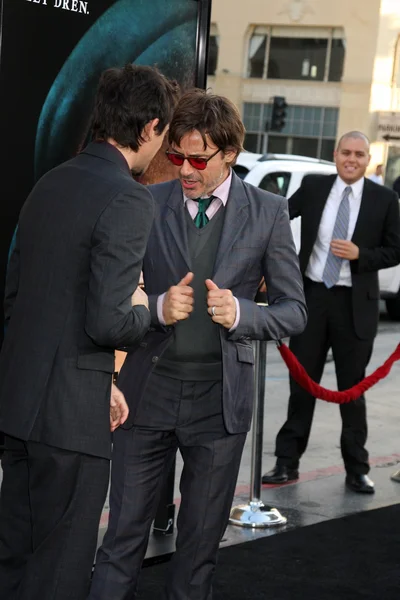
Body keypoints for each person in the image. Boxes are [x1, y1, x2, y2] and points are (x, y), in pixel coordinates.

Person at [88, 89, 307, 600]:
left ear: (229, 154)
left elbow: (294, 311)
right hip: (148, 393)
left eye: (198, 159)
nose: (185, 170)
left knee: (198, 552)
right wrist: (159, 305)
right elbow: (114, 295)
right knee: (122, 539)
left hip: (219, 405)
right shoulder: (144, 201)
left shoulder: (269, 212)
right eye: (177, 156)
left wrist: (244, 313)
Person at [0, 64, 177, 600]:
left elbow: (18, 301)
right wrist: (149, 308)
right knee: (60, 570)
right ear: (149, 128)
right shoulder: (128, 198)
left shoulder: (50, 182)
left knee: (13, 559)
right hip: (71, 424)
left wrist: (104, 383)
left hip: (20, 406)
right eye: (165, 136)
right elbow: (108, 321)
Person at [262, 131, 400, 494]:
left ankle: (357, 468)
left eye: (358, 154)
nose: (351, 159)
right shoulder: (314, 187)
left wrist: (362, 255)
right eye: (345, 152)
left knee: (352, 389)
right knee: (300, 384)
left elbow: (395, 249)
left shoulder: (384, 199)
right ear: (335, 154)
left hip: (355, 304)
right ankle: (286, 462)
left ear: (367, 159)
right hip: (312, 299)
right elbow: (279, 216)